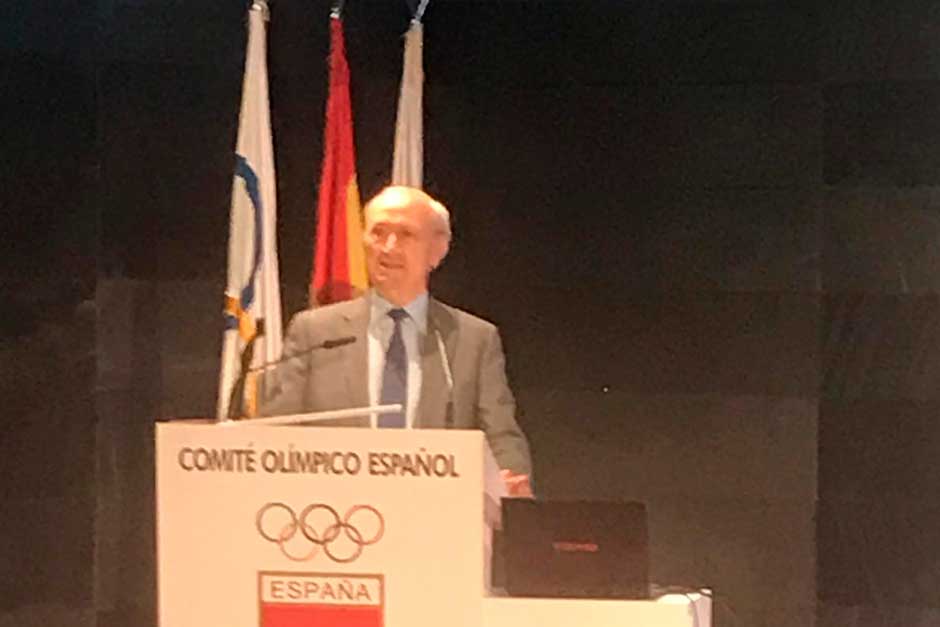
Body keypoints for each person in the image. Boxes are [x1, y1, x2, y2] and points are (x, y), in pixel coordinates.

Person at [259, 186, 533, 496]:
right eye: (378, 233)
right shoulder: (316, 332)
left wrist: (512, 487)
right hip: (332, 511)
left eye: (406, 235)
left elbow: (501, 437)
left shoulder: (473, 339)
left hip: (436, 510)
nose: (388, 247)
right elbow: (275, 432)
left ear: (437, 250)